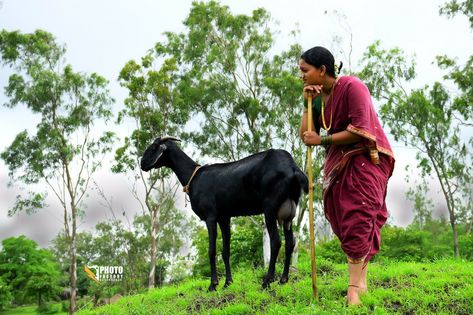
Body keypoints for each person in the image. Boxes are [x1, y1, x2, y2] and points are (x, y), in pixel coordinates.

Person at [298, 46, 395, 305]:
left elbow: (361, 130)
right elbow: (306, 136)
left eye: (305, 71)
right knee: (344, 220)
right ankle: (360, 282)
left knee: (359, 217)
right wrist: (307, 105)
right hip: (337, 166)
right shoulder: (317, 99)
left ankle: (353, 289)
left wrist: (323, 139)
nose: (301, 76)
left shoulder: (353, 87)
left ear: (322, 70)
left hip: (364, 161)